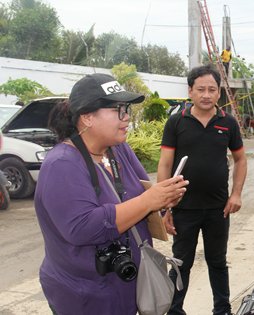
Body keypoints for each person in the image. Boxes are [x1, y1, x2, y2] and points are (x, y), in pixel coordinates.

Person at [34, 73, 188, 315]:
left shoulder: (119, 150)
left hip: (125, 285)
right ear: (87, 117)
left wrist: (163, 200)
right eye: (117, 109)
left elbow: (141, 194)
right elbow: (83, 227)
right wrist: (149, 201)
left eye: (126, 108)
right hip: (85, 295)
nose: (126, 117)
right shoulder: (61, 165)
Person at [158, 65, 247, 315]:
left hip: (218, 208)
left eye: (212, 89)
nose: (206, 95)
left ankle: (222, 310)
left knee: (217, 262)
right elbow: (165, 164)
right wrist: (164, 206)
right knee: (180, 263)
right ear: (190, 91)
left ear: (219, 93)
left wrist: (236, 193)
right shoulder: (177, 122)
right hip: (183, 208)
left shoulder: (227, 123)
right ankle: (174, 310)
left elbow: (240, 159)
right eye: (201, 89)